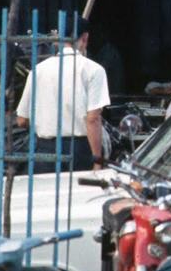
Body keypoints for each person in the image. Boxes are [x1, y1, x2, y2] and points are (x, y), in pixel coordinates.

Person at [15, 18, 110, 171]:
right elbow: (92, 118)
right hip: (79, 151)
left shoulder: (37, 71)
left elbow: (21, 120)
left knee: (46, 194)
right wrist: (97, 160)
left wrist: (45, 121)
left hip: (44, 152)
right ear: (85, 38)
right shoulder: (93, 70)